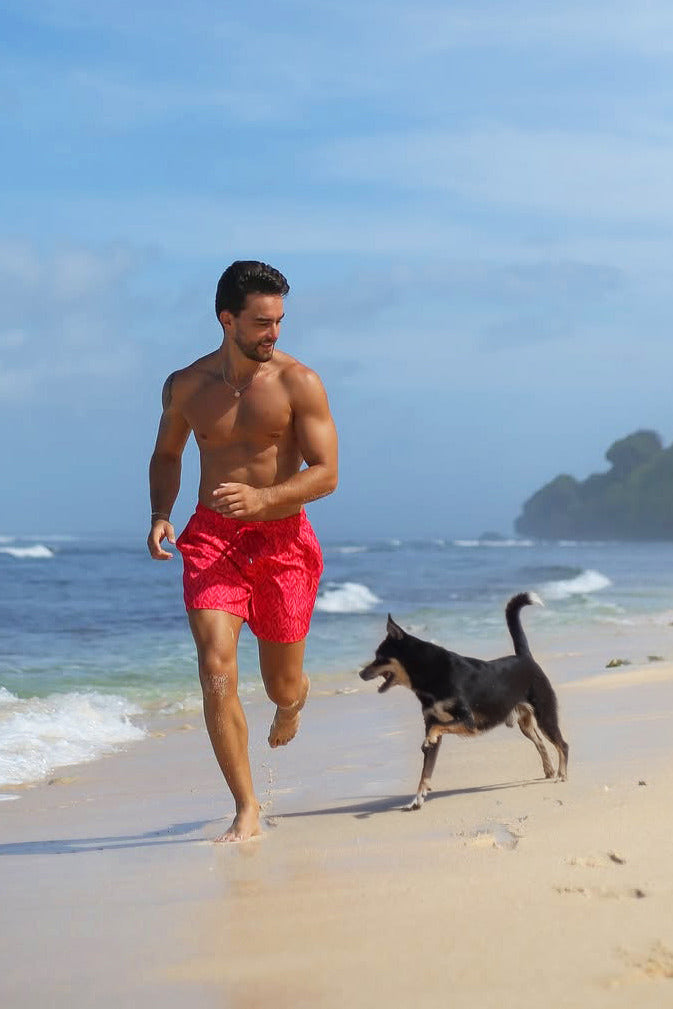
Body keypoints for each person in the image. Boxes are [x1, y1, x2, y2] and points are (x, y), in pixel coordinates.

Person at [147, 260, 338, 842]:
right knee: (215, 667)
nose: (273, 333)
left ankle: (291, 704)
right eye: (261, 322)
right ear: (226, 319)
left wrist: (264, 499)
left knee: (282, 684)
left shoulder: (298, 382)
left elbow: (327, 474)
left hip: (282, 541)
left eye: (278, 321)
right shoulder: (186, 386)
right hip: (211, 540)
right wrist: (161, 512)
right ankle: (246, 806)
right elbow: (168, 455)